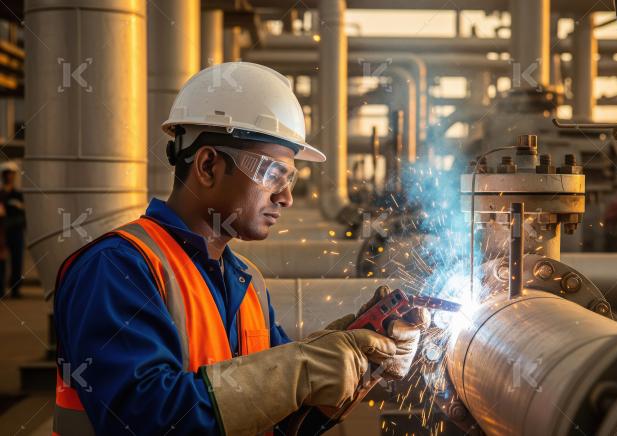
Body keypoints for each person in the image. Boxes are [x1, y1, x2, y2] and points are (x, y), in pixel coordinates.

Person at [53, 62, 426, 435]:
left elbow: (284, 416)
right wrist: (303, 369)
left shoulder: (246, 281)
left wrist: (361, 357)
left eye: (290, 177)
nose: (286, 197)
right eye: (272, 174)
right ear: (208, 165)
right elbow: (147, 418)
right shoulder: (116, 268)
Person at [0, 163, 24, 298]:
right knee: (1, 261)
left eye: (11, 174)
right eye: (7, 174)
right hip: (2, 232)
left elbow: (24, 216)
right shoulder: (1, 194)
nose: (9, 176)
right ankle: (0, 289)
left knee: (17, 261)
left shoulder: (18, 195)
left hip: (16, 231)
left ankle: (15, 289)